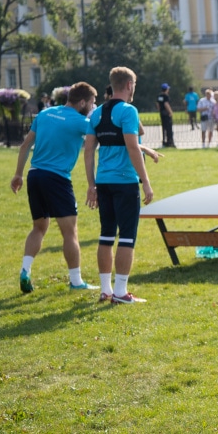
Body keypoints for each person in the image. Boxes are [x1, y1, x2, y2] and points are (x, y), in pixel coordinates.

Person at [11, 82, 99, 294]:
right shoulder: (81, 121)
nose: (94, 107)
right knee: (70, 232)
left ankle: (25, 270)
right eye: (93, 103)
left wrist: (18, 174)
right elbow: (97, 143)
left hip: (34, 175)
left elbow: (25, 146)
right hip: (57, 179)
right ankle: (76, 281)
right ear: (83, 102)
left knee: (39, 227)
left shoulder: (45, 114)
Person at [83, 67, 154, 304]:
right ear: (129, 85)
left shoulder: (96, 113)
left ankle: (106, 290)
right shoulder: (128, 111)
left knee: (105, 235)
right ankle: (121, 292)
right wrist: (146, 182)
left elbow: (89, 152)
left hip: (103, 182)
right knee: (126, 237)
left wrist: (91, 184)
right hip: (125, 182)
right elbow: (133, 147)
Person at [157, 83, 175, 148]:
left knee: (163, 128)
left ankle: (164, 141)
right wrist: (170, 112)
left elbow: (158, 105)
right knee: (169, 128)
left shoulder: (159, 96)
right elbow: (166, 104)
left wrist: (160, 110)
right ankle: (170, 142)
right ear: (166, 89)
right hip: (166, 113)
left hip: (162, 113)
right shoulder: (166, 96)